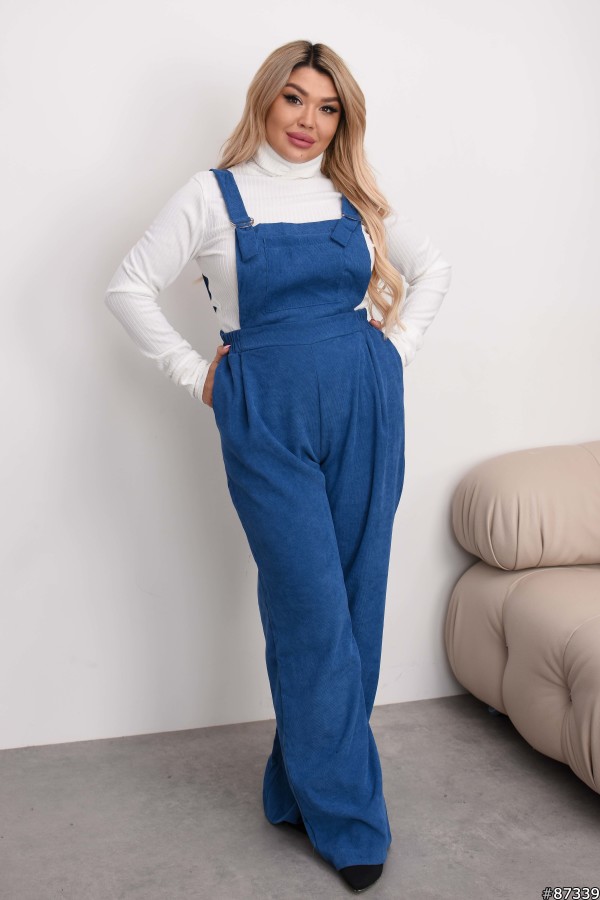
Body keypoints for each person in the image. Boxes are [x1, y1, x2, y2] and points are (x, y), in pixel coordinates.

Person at [105, 39, 452, 894]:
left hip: (366, 401)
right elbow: (127, 286)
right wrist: (197, 376)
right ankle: (351, 820)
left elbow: (433, 267)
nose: (308, 121)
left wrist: (394, 352)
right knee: (309, 608)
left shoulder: (351, 195)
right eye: (295, 99)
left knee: (356, 600)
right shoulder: (211, 195)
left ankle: (296, 789)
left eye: (328, 108)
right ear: (266, 98)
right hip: (264, 412)